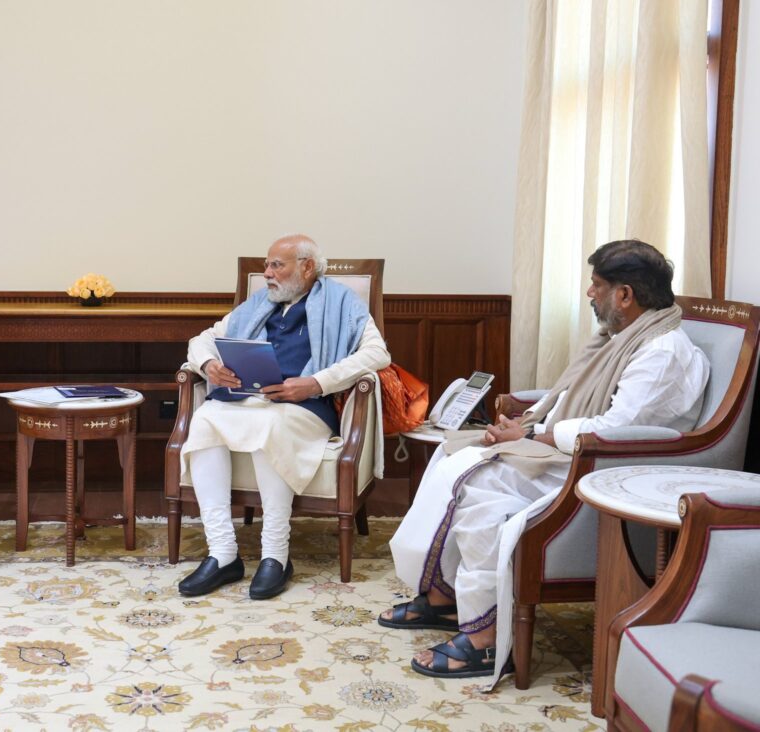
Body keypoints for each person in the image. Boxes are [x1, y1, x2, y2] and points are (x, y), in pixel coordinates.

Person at [382, 239, 709, 679]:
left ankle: (484, 640)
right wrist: (527, 423)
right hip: (568, 452)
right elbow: (571, 398)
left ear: (624, 295)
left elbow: (615, 430)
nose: (590, 293)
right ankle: (444, 599)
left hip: (603, 470)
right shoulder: (624, 338)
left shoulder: (662, 353)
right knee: (451, 452)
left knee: (479, 492)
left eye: (596, 285)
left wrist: (533, 434)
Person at [178, 234, 391, 599]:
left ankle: (275, 555)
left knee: (271, 425)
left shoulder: (343, 302)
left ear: (307, 267)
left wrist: (315, 383)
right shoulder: (259, 302)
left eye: (277, 265)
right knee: (204, 420)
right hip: (246, 401)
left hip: (303, 408)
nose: (267, 273)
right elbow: (202, 339)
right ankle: (223, 553)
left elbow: (377, 354)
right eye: (267, 265)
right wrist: (209, 363)